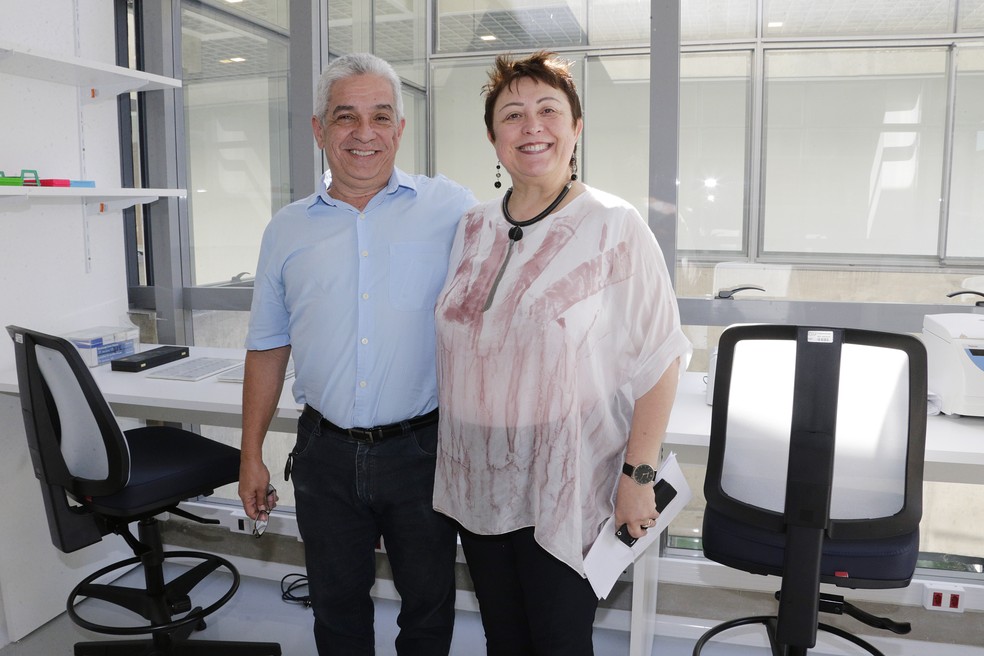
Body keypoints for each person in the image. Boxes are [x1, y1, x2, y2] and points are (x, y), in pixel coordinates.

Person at [433, 51, 691, 655]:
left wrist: (638, 477)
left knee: (558, 642)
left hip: (567, 483)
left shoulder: (615, 225)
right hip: (478, 484)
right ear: (494, 136)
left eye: (549, 110)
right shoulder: (473, 227)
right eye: (513, 114)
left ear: (576, 128)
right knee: (505, 641)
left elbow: (661, 357)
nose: (532, 127)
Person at [239, 52, 476, 656]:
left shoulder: (452, 210)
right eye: (346, 117)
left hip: (422, 451)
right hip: (325, 453)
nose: (364, 134)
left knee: (428, 609)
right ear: (319, 129)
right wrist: (251, 456)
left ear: (400, 128)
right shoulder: (286, 231)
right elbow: (267, 345)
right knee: (336, 611)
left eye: (380, 117)